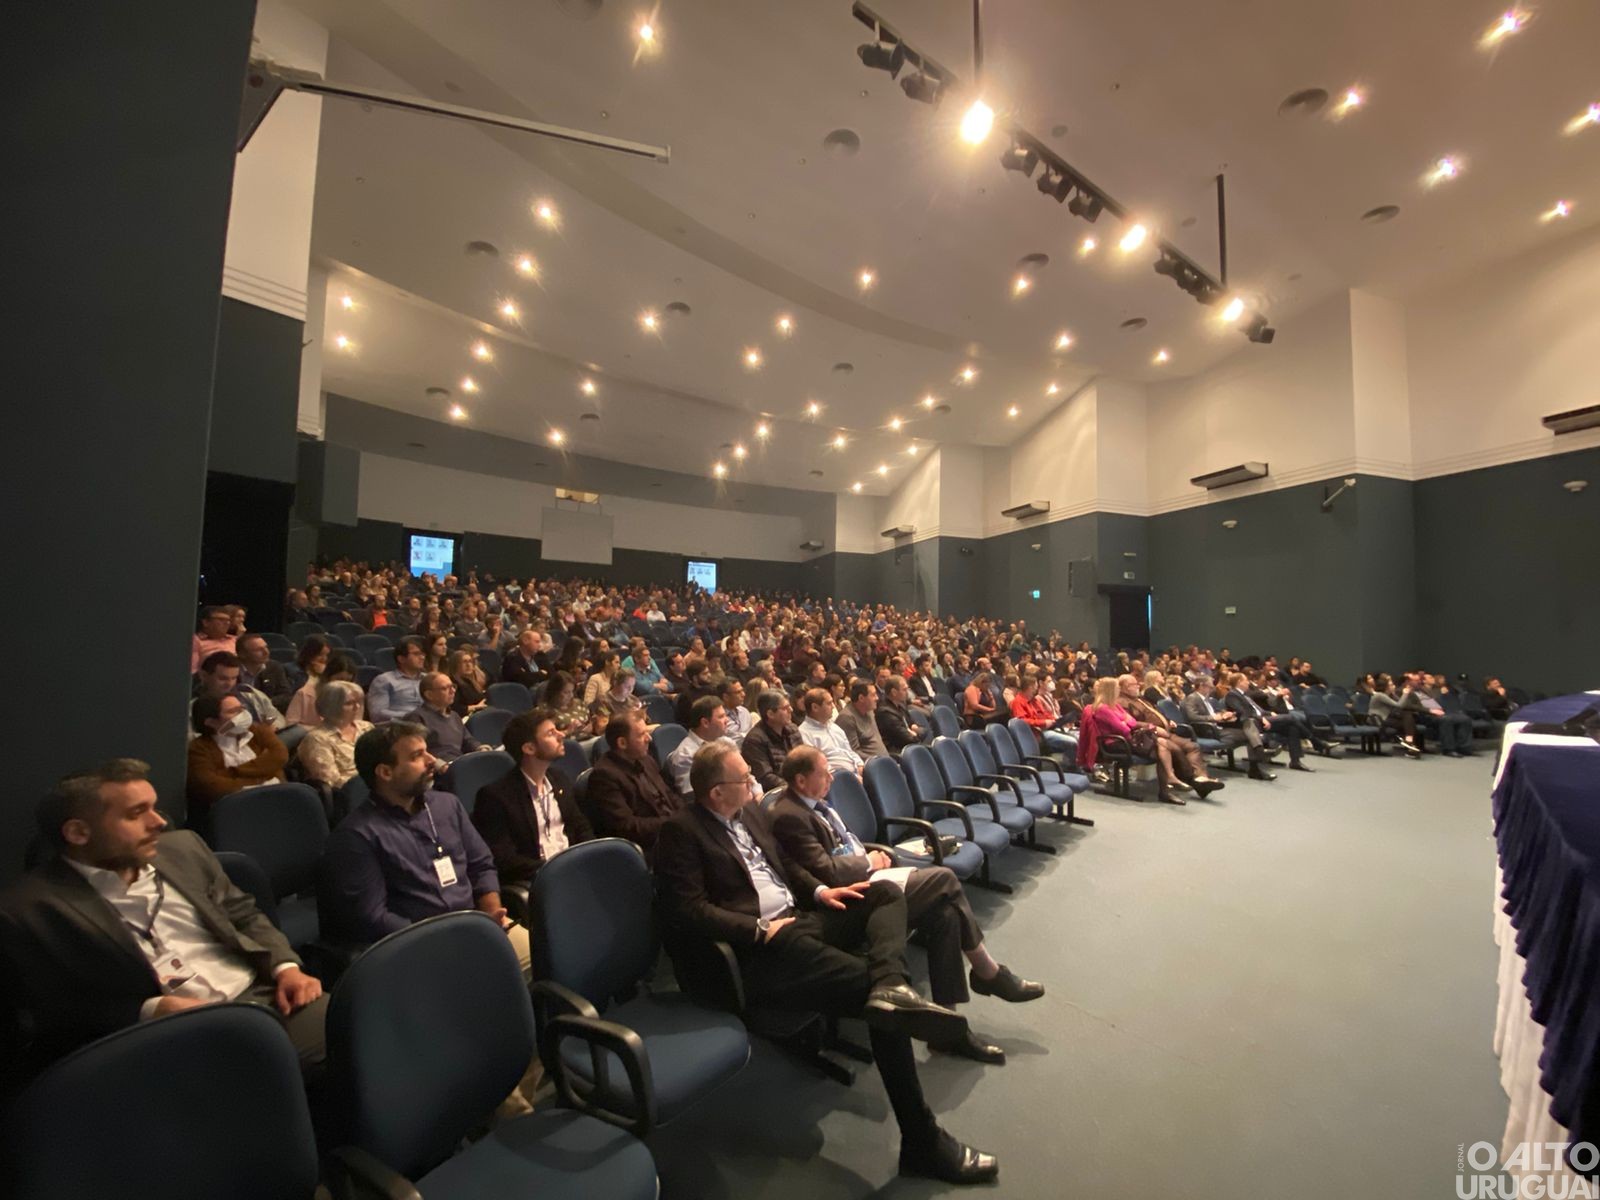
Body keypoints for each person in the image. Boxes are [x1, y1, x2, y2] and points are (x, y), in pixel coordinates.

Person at [653, 741, 998, 1185]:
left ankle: (891, 983)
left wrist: (820, 891)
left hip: (802, 918)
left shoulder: (751, 812)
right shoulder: (680, 832)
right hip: (764, 945)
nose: (755, 784)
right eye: (745, 779)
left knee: (884, 894)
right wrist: (756, 929)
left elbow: (783, 869)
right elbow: (688, 910)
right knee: (881, 1006)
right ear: (717, 792)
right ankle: (923, 1143)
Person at [0, 759, 326, 1070]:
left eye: (154, 807)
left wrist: (285, 967)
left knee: (363, 1031)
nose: (158, 822)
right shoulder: (27, 910)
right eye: (136, 813)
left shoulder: (183, 848)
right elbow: (54, 1010)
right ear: (78, 833)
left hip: (266, 995)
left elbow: (244, 915)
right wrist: (152, 1009)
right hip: (166, 1036)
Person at [769, 745, 1042, 1063]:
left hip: (866, 880)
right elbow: (827, 871)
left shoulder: (815, 805)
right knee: (943, 879)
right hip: (847, 898)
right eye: (823, 772)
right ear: (801, 780)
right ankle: (988, 972)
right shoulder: (789, 815)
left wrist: (869, 860)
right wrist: (867, 861)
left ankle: (948, 1030)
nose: (831, 776)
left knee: (945, 914)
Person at [319, 723, 529, 969]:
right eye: (417, 756)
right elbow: (374, 918)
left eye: (427, 751)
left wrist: (492, 912)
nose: (432, 760)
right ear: (385, 772)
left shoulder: (447, 805)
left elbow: (481, 864)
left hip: (476, 925)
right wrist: (448, 936)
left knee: (539, 957)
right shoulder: (357, 836)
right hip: (418, 945)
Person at [471, 708, 594, 887]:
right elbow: (506, 860)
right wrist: (556, 870)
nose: (561, 735)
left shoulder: (559, 779)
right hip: (540, 881)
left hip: (576, 870)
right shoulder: (495, 797)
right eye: (551, 733)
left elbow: (581, 827)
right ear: (529, 748)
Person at [587, 709, 682, 861]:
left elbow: (669, 794)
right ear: (622, 743)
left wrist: (684, 815)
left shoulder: (646, 759)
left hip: (672, 832)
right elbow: (626, 826)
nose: (649, 738)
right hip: (648, 846)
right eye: (641, 735)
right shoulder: (604, 776)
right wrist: (672, 823)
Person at [1077, 678, 1186, 804]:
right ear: (1110, 690)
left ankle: (1166, 788)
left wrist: (1124, 721)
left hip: (1128, 739)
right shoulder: (1102, 708)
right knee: (1162, 748)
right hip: (1115, 743)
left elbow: (1132, 722)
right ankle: (1166, 787)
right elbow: (1123, 728)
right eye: (1117, 688)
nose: (1119, 690)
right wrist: (1124, 720)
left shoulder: (1115, 705)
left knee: (1162, 746)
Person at [1117, 674, 1224, 798]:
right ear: (1124, 687)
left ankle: (1201, 778)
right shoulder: (1122, 702)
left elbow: (1156, 713)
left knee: (1192, 746)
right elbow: (1130, 722)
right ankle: (1195, 780)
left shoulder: (1140, 699)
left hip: (1164, 731)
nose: (1138, 686)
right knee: (1176, 749)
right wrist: (1153, 727)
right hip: (1147, 736)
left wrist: (1167, 721)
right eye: (1134, 684)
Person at [186, 693, 289, 819]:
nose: (243, 715)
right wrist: (262, 779)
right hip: (232, 815)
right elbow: (212, 787)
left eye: (242, 708)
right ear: (211, 722)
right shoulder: (198, 748)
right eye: (233, 712)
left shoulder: (257, 731)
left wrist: (233, 772)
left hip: (275, 803)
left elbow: (280, 757)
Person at [1183, 676, 1276, 780]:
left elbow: (1217, 711)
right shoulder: (1192, 698)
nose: (1212, 688)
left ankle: (1257, 760)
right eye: (1210, 686)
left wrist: (1225, 714)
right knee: (1251, 734)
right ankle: (1257, 759)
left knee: (1249, 725)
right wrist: (1213, 718)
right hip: (1206, 730)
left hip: (1218, 726)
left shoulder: (1207, 699)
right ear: (1201, 686)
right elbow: (1192, 717)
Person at [1224, 672, 1311, 772]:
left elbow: (1259, 710)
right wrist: (1261, 718)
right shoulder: (1232, 695)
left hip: (1261, 720)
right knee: (1290, 718)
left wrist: (1269, 713)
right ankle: (1311, 738)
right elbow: (1243, 712)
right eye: (1246, 681)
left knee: (1292, 728)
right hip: (1251, 723)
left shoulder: (1245, 696)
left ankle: (1295, 761)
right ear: (1239, 682)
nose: (1248, 683)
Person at [297, 680, 374, 789]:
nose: (357, 707)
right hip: (350, 793)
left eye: (358, 702)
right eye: (349, 703)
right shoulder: (318, 739)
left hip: (380, 785)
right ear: (332, 706)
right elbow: (330, 780)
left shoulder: (366, 728)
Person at [192, 651, 285, 731]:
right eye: (223, 678)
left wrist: (273, 727)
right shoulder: (193, 704)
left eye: (234, 678)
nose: (229, 684)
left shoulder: (250, 693)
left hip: (265, 740)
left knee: (297, 731)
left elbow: (279, 719)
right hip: (223, 746)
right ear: (203, 676)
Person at [405, 671, 483, 763]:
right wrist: (437, 764)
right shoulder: (416, 717)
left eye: (453, 686)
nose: (453, 691)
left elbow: (468, 740)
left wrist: (480, 748)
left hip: (458, 764)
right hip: (436, 769)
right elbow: (417, 752)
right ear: (429, 695)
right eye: (445, 688)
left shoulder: (454, 715)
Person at [666, 695, 733, 797]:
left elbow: (744, 774)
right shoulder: (685, 756)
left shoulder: (725, 742)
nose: (727, 720)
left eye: (725, 715)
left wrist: (758, 794)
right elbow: (691, 796)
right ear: (705, 723)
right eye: (721, 717)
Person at [742, 689, 803, 791]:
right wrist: (796, 788)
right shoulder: (754, 740)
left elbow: (805, 760)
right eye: (785, 708)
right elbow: (765, 777)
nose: (791, 710)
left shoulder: (793, 729)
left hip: (800, 786)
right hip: (779, 794)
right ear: (770, 714)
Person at [797, 687, 865, 776]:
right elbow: (819, 767)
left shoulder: (835, 727)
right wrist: (853, 777)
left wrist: (860, 764)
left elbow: (849, 751)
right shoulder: (804, 734)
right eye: (829, 703)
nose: (833, 706)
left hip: (854, 773)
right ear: (815, 707)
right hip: (835, 781)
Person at [366, 636, 427, 723]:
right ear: (401, 659)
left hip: (429, 726)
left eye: (423, 654)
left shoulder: (427, 679)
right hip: (399, 727)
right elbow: (377, 714)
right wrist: (411, 716)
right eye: (416, 654)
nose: (422, 657)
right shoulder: (384, 680)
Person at [835, 679, 890, 761]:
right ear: (861, 698)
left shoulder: (870, 710)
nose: (877, 698)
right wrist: (877, 761)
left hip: (885, 761)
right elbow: (853, 752)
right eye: (873, 695)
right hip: (871, 767)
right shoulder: (846, 718)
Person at [235, 633, 293, 711]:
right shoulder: (231, 668)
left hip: (266, 712)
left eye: (266, 647)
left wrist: (264, 703)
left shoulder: (273, 667)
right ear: (242, 654)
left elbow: (286, 696)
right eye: (258, 650)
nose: (266, 652)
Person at [284, 636, 331, 728]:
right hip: (301, 716)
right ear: (309, 654)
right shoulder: (292, 670)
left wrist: (324, 675)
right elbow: (295, 695)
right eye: (320, 655)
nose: (324, 659)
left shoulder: (327, 672)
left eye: (326, 655)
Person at [876, 674, 926, 755]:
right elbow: (909, 739)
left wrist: (914, 731)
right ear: (894, 692)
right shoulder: (885, 713)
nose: (907, 693)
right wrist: (913, 731)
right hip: (897, 752)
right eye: (904, 690)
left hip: (909, 747)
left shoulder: (901, 705)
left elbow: (922, 729)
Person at [190, 605, 237, 673]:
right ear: (205, 622)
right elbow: (193, 670)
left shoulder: (235, 640)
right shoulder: (196, 641)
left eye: (228, 620)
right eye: (221, 620)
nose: (227, 623)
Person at [719, 677, 754, 744]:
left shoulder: (744, 712)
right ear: (726, 697)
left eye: (742, 690)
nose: (743, 694)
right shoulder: (719, 718)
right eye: (738, 692)